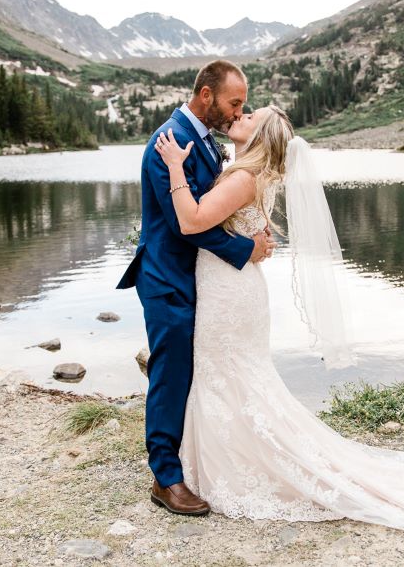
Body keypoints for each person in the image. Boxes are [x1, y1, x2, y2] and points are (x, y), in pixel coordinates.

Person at [151, 104, 404, 546]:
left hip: (230, 293)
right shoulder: (254, 173)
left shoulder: (242, 177)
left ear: (261, 135)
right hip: (235, 289)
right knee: (236, 376)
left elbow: (193, 219)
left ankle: (232, 465)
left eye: (252, 115)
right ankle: (221, 457)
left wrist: (176, 167)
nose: (243, 114)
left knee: (229, 374)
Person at [116, 60, 275, 516]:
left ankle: (193, 459)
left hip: (198, 279)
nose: (236, 111)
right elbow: (189, 225)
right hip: (167, 278)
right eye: (234, 103)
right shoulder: (169, 143)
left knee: (194, 372)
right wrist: (245, 249)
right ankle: (165, 479)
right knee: (170, 374)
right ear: (206, 96)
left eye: (242, 105)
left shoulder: (204, 141)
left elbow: (219, 207)